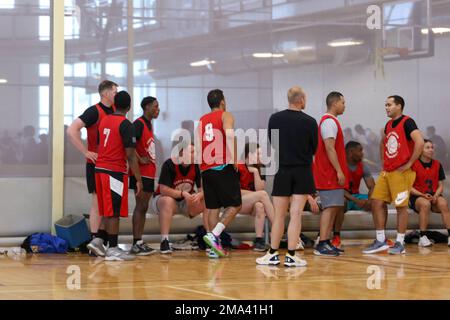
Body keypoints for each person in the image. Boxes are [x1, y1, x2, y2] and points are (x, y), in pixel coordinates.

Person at [256, 86, 317, 267]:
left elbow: (272, 143)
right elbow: (314, 148)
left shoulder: (275, 119)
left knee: (279, 215)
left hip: (282, 169)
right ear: (301, 100)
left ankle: (272, 253)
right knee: (296, 214)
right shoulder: (310, 121)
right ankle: (291, 256)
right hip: (303, 171)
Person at [363, 95, 424, 255]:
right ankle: (381, 240)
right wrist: (384, 161)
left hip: (402, 173)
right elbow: (383, 142)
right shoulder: (389, 124)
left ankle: (400, 242)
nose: (386, 108)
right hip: (388, 172)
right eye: (385, 105)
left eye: (389, 105)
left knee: (400, 207)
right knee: (376, 202)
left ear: (399, 106)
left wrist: (409, 163)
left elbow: (420, 142)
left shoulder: (408, 122)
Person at [67, 80, 117, 256]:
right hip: (96, 165)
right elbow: (72, 130)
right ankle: (94, 241)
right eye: (114, 91)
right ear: (105, 93)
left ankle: (102, 240)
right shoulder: (94, 111)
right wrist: (85, 151)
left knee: (109, 205)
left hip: (113, 165)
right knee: (97, 203)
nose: (116, 94)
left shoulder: (116, 112)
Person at [95, 90, 142, 261]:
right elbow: (130, 155)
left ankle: (99, 239)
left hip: (99, 169)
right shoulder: (126, 124)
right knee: (114, 211)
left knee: (107, 210)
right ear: (129, 107)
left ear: (115, 104)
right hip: (113, 171)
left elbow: (101, 145)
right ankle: (113, 249)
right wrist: (138, 178)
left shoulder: (104, 120)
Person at [197, 89, 242, 258]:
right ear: (222, 102)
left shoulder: (202, 120)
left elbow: (199, 145)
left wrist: (201, 167)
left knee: (212, 207)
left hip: (206, 167)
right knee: (235, 204)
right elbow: (229, 135)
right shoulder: (225, 115)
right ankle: (214, 235)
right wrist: (234, 158)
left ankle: (213, 248)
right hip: (222, 165)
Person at [150, 143, 206, 254]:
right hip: (163, 200)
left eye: (196, 152)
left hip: (184, 203)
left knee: (208, 200)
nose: (194, 155)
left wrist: (199, 195)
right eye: (191, 152)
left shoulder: (195, 166)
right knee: (168, 201)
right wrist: (183, 193)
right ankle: (164, 241)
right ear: (181, 153)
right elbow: (163, 190)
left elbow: (202, 189)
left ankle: (207, 236)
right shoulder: (169, 164)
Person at [312, 91, 347, 257]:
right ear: (335, 103)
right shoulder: (328, 122)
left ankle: (326, 241)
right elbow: (329, 148)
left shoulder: (332, 122)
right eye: (343, 103)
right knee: (329, 208)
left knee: (334, 208)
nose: (344, 106)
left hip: (331, 172)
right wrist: (339, 170)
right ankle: (322, 243)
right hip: (328, 172)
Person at [128, 96, 160, 256]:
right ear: (147, 107)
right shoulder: (138, 124)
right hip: (140, 173)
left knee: (144, 207)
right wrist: (141, 159)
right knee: (140, 207)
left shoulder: (149, 125)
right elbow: (129, 147)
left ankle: (139, 241)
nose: (158, 109)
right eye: (155, 106)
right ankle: (136, 243)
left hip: (149, 173)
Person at [331, 141, 375, 248]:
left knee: (377, 201)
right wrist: (356, 201)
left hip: (356, 196)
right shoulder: (339, 166)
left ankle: (381, 237)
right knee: (340, 202)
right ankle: (336, 236)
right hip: (343, 196)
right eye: (360, 151)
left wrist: (369, 200)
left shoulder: (363, 166)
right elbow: (337, 188)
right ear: (351, 152)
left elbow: (373, 186)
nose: (362, 154)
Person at [410, 139, 450, 247]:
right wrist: (422, 195)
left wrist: (436, 195)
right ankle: (422, 237)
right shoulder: (413, 164)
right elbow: (408, 187)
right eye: (427, 147)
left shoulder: (437, 164)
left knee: (443, 204)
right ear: (421, 150)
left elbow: (440, 185)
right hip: (417, 196)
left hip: (433, 195)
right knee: (425, 204)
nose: (431, 150)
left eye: (432, 147)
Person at [237, 143, 275, 251]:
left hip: (252, 204)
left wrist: (255, 172)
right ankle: (278, 226)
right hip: (238, 203)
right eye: (258, 154)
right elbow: (236, 192)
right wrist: (255, 195)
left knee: (260, 206)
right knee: (262, 195)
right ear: (249, 155)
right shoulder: (239, 167)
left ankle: (258, 240)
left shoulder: (261, 168)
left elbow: (259, 189)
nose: (261, 157)